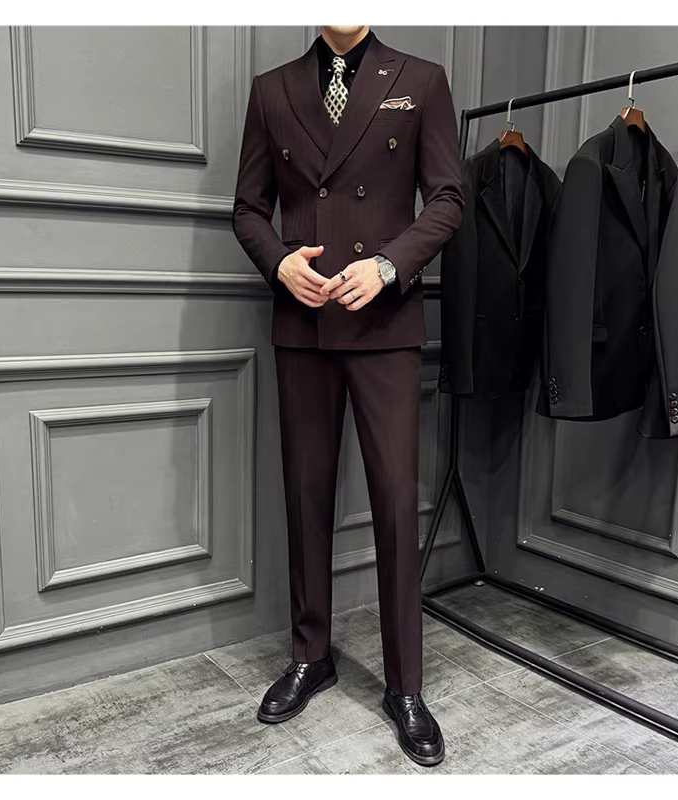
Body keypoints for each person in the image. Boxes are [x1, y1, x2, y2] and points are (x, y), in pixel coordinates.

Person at [232, 24, 463, 767]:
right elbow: (247, 208)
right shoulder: (272, 90)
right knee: (306, 494)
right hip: (303, 323)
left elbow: (448, 198)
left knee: (395, 501)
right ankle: (312, 655)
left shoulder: (420, 80)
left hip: (385, 323)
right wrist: (279, 263)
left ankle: (404, 686)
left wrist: (389, 266)